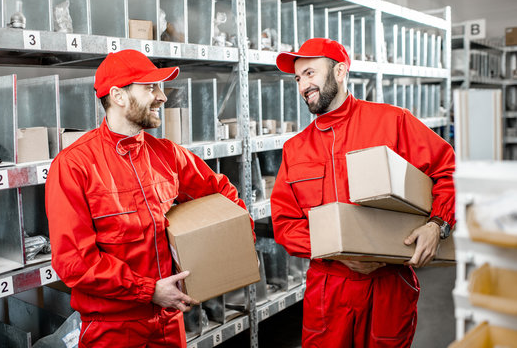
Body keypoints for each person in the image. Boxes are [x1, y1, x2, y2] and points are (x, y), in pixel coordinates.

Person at [45, 49, 251, 348]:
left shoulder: (166, 153)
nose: (162, 97)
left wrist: (231, 244)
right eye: (150, 87)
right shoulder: (74, 165)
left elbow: (222, 194)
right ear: (118, 96)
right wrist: (148, 290)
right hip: (114, 328)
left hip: (170, 319)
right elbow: (75, 262)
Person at [270, 38, 455, 347]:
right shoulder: (295, 149)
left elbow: (448, 171)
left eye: (311, 73)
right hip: (329, 289)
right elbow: (286, 224)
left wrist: (439, 225)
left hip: (389, 285)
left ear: (339, 72)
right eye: (298, 78)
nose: (303, 85)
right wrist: (339, 250)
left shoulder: (392, 122)